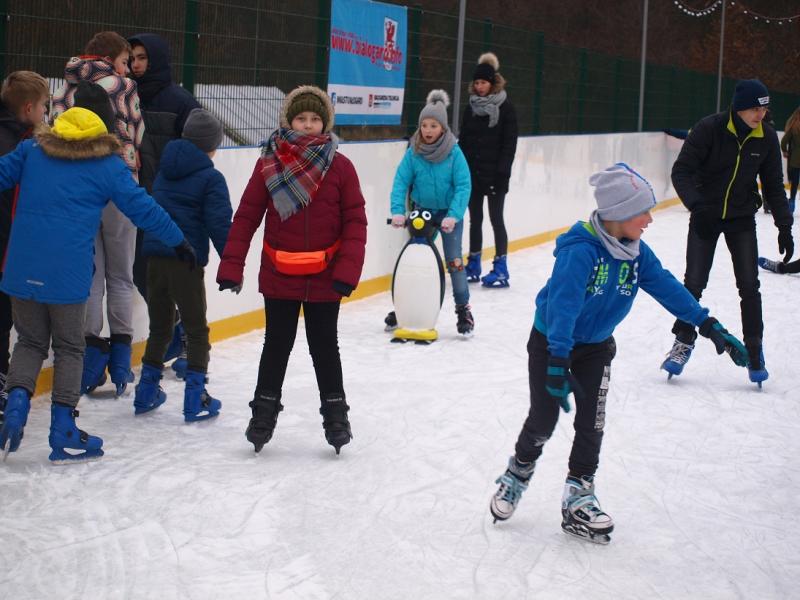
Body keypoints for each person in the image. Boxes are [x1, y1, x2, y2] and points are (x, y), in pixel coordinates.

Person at [488, 163, 748, 544]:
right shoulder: (580, 253)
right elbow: (562, 308)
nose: (649, 220)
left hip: (595, 349)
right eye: (642, 212)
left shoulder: (637, 254)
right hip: (552, 344)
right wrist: (558, 360)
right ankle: (518, 472)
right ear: (618, 214)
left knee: (592, 422)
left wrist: (707, 325)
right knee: (543, 420)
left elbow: (667, 288)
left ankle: (579, 493)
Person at [0, 84, 195, 463]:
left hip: (20, 270)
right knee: (71, 347)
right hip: (67, 275)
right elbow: (143, 209)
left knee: (28, 342)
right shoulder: (107, 165)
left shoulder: (32, 150)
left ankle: (17, 405)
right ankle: (63, 428)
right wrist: (178, 240)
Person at [216, 85, 367, 455]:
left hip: (325, 273)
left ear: (325, 122)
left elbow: (355, 222)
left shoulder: (341, 166)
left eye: (315, 118)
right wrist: (232, 264)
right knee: (276, 346)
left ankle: (336, 415)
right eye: (301, 118)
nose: (309, 125)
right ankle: (262, 414)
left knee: (324, 347)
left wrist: (347, 270)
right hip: (279, 272)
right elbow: (247, 216)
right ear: (288, 120)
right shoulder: (269, 163)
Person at [662, 79, 793, 385]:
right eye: (753, 108)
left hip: (741, 218)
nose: (760, 114)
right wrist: (697, 205)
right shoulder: (710, 128)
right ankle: (683, 341)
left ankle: (755, 349)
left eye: (764, 108)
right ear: (738, 107)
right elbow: (681, 171)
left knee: (749, 285)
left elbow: (774, 185)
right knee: (693, 284)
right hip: (705, 214)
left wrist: (784, 226)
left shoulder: (767, 138)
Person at [51, 31, 146, 398]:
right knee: (121, 274)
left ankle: (92, 355)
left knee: (91, 275)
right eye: (125, 60)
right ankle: (121, 355)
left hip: (78, 189)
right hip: (119, 184)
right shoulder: (122, 86)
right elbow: (135, 135)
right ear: (111, 58)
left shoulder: (63, 89)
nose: (128, 68)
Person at [134, 108, 231, 421]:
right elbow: (219, 224)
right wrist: (232, 263)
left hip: (154, 258)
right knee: (196, 329)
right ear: (212, 146)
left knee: (161, 327)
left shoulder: (165, 169)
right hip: (184, 261)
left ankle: (145, 392)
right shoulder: (211, 178)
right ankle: (195, 398)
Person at [128, 33, 203, 377]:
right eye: (132, 57)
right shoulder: (126, 97)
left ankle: (190, 340)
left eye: (142, 57)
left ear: (156, 59)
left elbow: (198, 152)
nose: (136, 64)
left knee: (180, 277)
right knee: (142, 274)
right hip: (140, 201)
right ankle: (173, 327)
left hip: (173, 203)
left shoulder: (180, 101)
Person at [390, 89, 474, 335]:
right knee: (412, 261)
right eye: (424, 125)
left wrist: (453, 215)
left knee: (454, 261)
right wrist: (398, 212)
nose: (427, 130)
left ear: (443, 128)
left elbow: (463, 185)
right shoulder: (414, 151)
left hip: (448, 215)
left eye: (433, 125)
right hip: (421, 213)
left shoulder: (454, 152)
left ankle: (463, 310)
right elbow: (400, 182)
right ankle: (403, 308)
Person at [0, 71, 49, 422]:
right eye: (45, 106)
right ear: (29, 107)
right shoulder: (15, 145)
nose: (46, 114)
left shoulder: (20, 137)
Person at [458, 52, 518, 288]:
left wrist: (502, 172)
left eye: (484, 82)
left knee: (496, 219)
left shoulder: (506, 108)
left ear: (492, 83)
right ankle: (474, 263)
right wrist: (461, 171)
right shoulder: (470, 108)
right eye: (477, 83)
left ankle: (501, 266)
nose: (480, 86)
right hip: (473, 174)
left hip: (496, 175)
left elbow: (509, 144)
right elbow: (464, 141)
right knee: (475, 220)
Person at [780, 106, 800, 214]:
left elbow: (784, 141)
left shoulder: (794, 127)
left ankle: (791, 203)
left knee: (794, 183)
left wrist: (785, 151)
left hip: (795, 161)